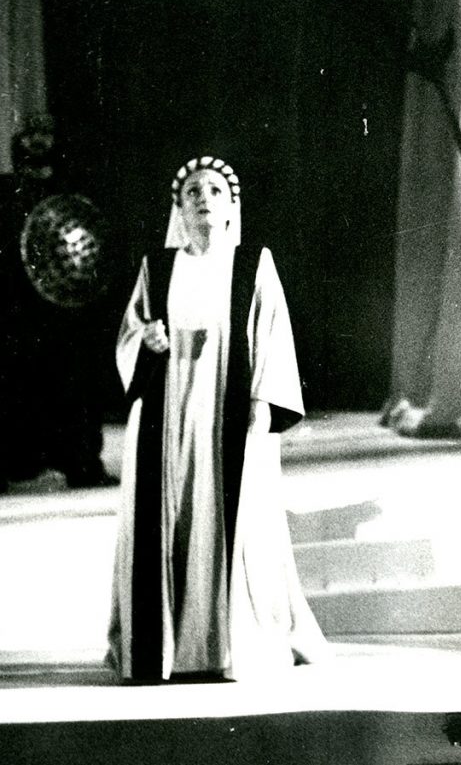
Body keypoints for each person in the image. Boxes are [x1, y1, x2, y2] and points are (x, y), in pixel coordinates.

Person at [107, 156, 329, 682]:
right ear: (179, 210)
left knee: (235, 520)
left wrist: (262, 402)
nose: (203, 198)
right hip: (169, 411)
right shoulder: (157, 266)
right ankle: (170, 649)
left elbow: (272, 332)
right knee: (172, 517)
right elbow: (129, 333)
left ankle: (229, 645)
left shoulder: (253, 263)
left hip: (230, 407)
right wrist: (146, 339)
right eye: (192, 192)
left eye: (214, 191)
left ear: (231, 207)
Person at [0, 116, 116, 491]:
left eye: (45, 134)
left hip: (68, 313)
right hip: (16, 310)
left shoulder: (75, 191)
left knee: (75, 387)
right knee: (14, 387)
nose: (37, 142)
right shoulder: (4, 194)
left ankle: (82, 464)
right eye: (30, 135)